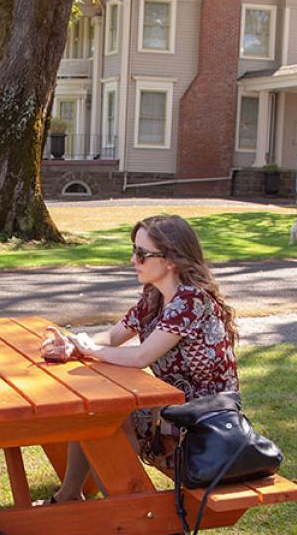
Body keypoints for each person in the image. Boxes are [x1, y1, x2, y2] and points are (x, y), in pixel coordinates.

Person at [38, 214, 239, 503]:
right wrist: (73, 345)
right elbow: (113, 336)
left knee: (105, 414)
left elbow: (142, 355)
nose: (133, 259)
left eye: (142, 254)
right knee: (94, 410)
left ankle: (126, 515)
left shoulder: (191, 300)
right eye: (134, 250)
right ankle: (73, 495)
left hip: (204, 427)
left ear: (170, 259)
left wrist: (90, 350)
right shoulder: (154, 298)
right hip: (173, 411)